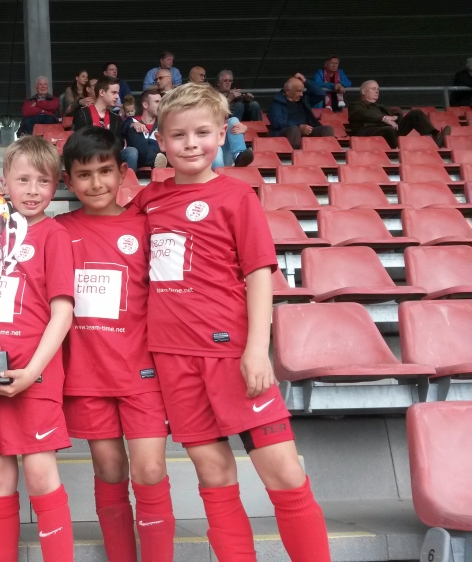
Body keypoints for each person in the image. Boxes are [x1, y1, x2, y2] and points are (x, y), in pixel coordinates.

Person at [140, 82, 331, 562]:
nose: (191, 144)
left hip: (232, 354)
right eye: (178, 134)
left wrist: (256, 350)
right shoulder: (149, 201)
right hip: (173, 359)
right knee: (214, 476)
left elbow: (259, 275)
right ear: (160, 140)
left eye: (202, 132)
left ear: (222, 134)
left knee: (284, 473)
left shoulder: (237, 196)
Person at [56, 126, 175, 562]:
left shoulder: (145, 227)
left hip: (141, 372)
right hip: (87, 376)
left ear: (123, 172)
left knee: (150, 468)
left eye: (105, 171)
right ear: (68, 180)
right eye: (84, 175)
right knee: (108, 468)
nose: (96, 183)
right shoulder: (57, 230)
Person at [0, 135, 75, 562]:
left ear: (55, 185)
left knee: (41, 475)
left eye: (43, 181)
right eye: (22, 179)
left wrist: (33, 372)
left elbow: (63, 314)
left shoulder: (54, 235)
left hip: (34, 376)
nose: (32, 190)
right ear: (3, 181)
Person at [349, 80, 450, 149]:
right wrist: (383, 118)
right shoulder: (356, 105)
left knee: (416, 113)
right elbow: (363, 114)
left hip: (390, 131)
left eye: (378, 89)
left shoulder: (380, 107)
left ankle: (434, 139)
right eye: (373, 89)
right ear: (364, 91)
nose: (377, 91)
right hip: (369, 132)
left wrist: (394, 117)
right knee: (389, 130)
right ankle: (398, 151)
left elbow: (397, 111)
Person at [73, 77, 138, 171]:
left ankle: (129, 180)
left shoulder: (116, 119)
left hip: (110, 156)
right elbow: (81, 141)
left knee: (131, 152)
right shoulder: (82, 114)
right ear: (102, 92)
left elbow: (119, 143)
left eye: (118, 93)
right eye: (113, 93)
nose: (117, 96)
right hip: (90, 156)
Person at [267, 76, 334, 149]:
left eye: (302, 91)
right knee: (294, 130)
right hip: (287, 132)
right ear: (288, 91)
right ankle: (295, 154)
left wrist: (305, 81)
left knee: (327, 129)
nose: (301, 94)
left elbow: (321, 94)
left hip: (306, 130)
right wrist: (299, 126)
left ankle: (326, 152)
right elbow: (277, 123)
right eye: (298, 91)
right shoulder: (276, 104)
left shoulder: (304, 99)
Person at [122, 89, 163, 169]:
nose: (160, 105)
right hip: (137, 164)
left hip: (156, 166)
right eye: (157, 102)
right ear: (145, 105)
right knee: (132, 149)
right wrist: (133, 124)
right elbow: (124, 127)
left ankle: (157, 162)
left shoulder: (162, 124)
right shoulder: (132, 121)